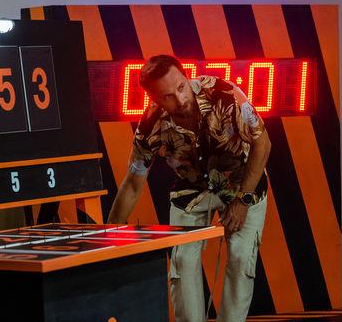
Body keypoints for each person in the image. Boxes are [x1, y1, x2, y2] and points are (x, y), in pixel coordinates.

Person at [107, 54, 271, 322]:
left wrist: (242, 200)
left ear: (186, 76)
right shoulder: (150, 125)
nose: (180, 99)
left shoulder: (225, 94)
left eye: (181, 87)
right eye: (167, 96)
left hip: (242, 181)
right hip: (191, 188)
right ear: (154, 98)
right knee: (182, 261)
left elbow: (263, 143)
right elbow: (133, 183)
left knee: (242, 258)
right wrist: (109, 236)